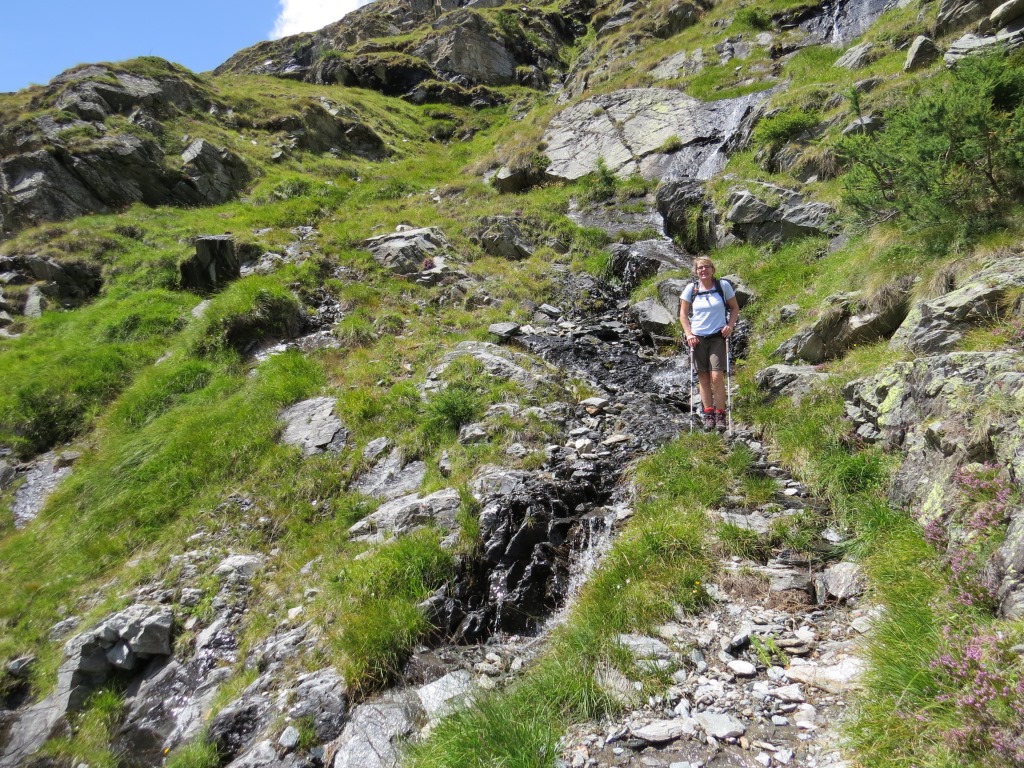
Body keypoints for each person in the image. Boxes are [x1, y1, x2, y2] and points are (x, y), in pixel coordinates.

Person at [678, 257, 739, 432]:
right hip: (697, 338)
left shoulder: (723, 286)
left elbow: (734, 308)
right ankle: (709, 414)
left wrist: (730, 325)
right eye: (700, 268)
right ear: (695, 271)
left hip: (718, 337)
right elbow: (683, 314)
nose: (703, 270)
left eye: (707, 267)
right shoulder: (691, 289)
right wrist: (689, 334)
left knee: (716, 376)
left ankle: (720, 415)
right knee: (703, 378)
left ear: (713, 269)